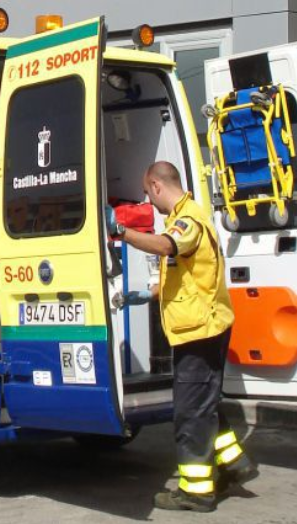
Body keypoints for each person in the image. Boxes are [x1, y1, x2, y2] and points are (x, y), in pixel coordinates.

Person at [107, 161, 257, 512]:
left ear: (157, 186)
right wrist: (150, 294)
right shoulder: (188, 216)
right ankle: (235, 464)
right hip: (200, 327)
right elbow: (188, 275)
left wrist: (121, 232)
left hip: (199, 331)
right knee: (203, 403)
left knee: (190, 411)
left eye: (147, 192)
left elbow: (166, 247)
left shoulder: (186, 220)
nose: (148, 199)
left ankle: (196, 491)